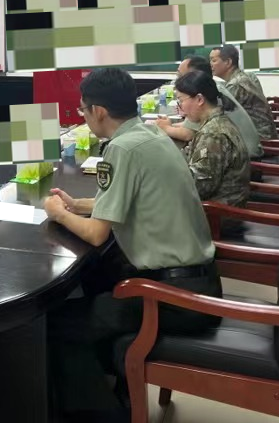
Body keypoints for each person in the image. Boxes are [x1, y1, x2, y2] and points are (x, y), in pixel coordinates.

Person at [43, 68, 221, 423]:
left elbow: (97, 234)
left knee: (62, 324)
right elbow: (129, 200)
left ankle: (103, 415)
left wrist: (58, 214)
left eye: (82, 110)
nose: (83, 116)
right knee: (97, 284)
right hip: (199, 281)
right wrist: (77, 205)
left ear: (99, 112)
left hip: (175, 298)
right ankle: (119, 394)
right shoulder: (149, 135)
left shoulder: (121, 148)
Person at [156, 55, 264, 158]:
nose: (178, 79)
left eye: (181, 75)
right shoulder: (211, 87)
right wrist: (169, 125)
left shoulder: (206, 95)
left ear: (195, 76)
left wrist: (166, 128)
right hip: (240, 150)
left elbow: (188, 134)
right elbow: (192, 126)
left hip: (247, 155)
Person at [172, 70, 251, 208]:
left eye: (181, 100)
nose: (181, 107)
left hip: (219, 212)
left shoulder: (213, 134)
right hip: (223, 203)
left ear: (199, 99)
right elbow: (190, 155)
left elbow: (199, 188)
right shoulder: (216, 122)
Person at [210, 44, 278, 139]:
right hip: (256, 134)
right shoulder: (242, 78)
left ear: (228, 62)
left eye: (213, 60)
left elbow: (218, 115)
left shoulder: (237, 84)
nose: (210, 64)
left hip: (260, 139)